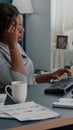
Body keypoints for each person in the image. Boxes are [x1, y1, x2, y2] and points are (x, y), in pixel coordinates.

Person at [0, 3, 71, 89]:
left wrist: (51, 75)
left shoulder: (14, 45)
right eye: (17, 25)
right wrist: (13, 44)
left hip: (28, 98)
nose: (22, 29)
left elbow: (29, 79)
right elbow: (21, 82)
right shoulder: (12, 45)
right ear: (4, 28)